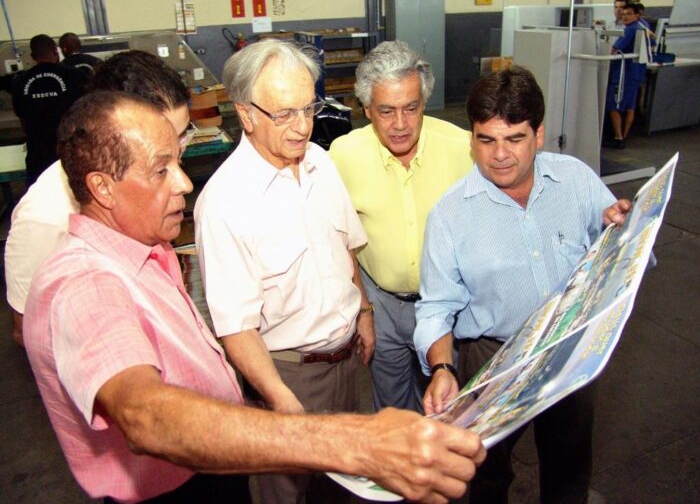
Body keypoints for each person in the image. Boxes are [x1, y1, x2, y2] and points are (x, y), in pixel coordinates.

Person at [24, 89, 486, 504]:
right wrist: (359, 442)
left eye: (179, 162)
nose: (184, 183)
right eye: (160, 170)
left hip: (210, 473)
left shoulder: (144, 252)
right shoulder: (85, 282)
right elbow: (144, 415)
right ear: (102, 187)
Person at [414, 66, 632, 504]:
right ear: (471, 138)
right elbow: (436, 307)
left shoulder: (575, 179)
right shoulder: (450, 215)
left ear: (539, 134)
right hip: (492, 358)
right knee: (486, 472)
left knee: (569, 464)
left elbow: (620, 255)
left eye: (514, 138)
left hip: (567, 349)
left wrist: (622, 229)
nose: (499, 155)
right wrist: (441, 368)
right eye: (486, 139)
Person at [194, 39, 376, 504]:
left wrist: (365, 313)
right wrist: (279, 398)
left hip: (347, 363)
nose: (302, 127)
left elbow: (342, 247)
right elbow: (235, 326)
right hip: (289, 376)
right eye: (284, 114)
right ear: (247, 114)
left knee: (345, 484)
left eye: (308, 108)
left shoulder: (320, 162)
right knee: (286, 493)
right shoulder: (225, 202)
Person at [4, 50, 193, 346]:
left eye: (183, 137)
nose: (178, 153)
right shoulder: (44, 215)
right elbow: (28, 330)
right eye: (165, 139)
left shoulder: (154, 182)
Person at [329, 40, 473, 413]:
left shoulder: (463, 149)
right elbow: (336, 237)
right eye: (386, 111)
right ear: (366, 110)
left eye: (412, 108)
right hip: (381, 305)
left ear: (425, 102)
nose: (400, 125)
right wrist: (363, 310)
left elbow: (517, 178)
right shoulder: (343, 156)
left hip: (447, 307)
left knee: (450, 410)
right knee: (393, 414)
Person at [11, 33, 83, 185]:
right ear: (55, 52)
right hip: (69, 151)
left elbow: (22, 120)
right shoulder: (73, 76)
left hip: (38, 153)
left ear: (32, 55)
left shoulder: (20, 82)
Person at [606, 2, 655, 149]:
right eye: (624, 14)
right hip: (636, 73)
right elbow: (653, 42)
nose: (625, 16)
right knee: (630, 107)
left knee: (613, 105)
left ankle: (618, 137)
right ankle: (624, 135)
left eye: (628, 14)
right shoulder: (643, 27)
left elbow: (615, 49)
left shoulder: (629, 30)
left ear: (636, 15)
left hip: (624, 73)